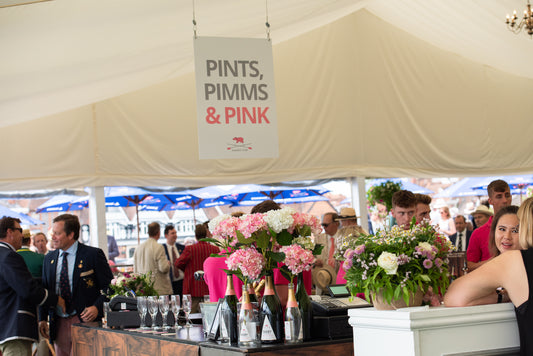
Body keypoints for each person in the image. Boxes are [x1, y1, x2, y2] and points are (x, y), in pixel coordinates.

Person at [444, 197, 533, 355]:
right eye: (502, 229)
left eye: (516, 229)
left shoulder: (513, 260)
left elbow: (454, 296)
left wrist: (503, 296)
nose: (507, 236)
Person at [39, 214, 112, 356]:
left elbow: (109, 288)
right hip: (58, 322)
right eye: (52, 233)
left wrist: (97, 307)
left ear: (71, 234)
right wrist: (42, 318)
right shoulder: (49, 259)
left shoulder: (92, 254)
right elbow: (45, 290)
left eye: (57, 233)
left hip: (86, 321)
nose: (53, 237)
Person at [0, 217, 64, 356]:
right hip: (14, 327)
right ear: (10, 232)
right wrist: (55, 299)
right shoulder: (9, 256)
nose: (22, 235)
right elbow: (27, 289)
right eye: (20, 230)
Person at [467, 180, 512, 271]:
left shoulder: (523, 225)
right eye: (499, 196)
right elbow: (469, 266)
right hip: (490, 282)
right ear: (490, 201)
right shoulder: (478, 233)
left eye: (507, 195)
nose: (505, 200)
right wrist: (493, 261)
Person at [174, 224, 219, 313]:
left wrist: (187, 270)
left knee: (191, 316)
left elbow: (178, 263)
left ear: (195, 235)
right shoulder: (215, 249)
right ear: (206, 234)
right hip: (209, 288)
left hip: (192, 287)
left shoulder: (190, 249)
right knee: (210, 315)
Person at [133, 222, 172, 295]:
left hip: (143, 288)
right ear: (158, 232)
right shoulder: (158, 247)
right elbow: (163, 268)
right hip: (158, 289)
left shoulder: (138, 248)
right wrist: (168, 264)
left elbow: (135, 270)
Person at [161, 224, 185, 296]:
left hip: (182, 281)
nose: (175, 235)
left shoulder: (182, 247)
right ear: (166, 236)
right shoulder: (162, 249)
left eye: (175, 233)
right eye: (172, 233)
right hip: (170, 282)